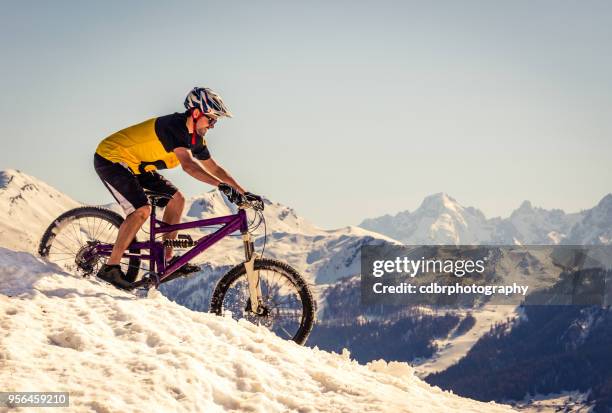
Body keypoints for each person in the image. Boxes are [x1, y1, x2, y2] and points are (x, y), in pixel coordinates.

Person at [94, 87, 253, 290]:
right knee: (141, 210)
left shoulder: (195, 138)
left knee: (177, 199)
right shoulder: (175, 127)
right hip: (111, 159)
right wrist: (221, 186)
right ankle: (110, 268)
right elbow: (188, 165)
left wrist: (242, 191)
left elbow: (213, 167)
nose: (213, 125)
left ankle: (166, 258)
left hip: (137, 165)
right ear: (196, 113)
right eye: (211, 119)